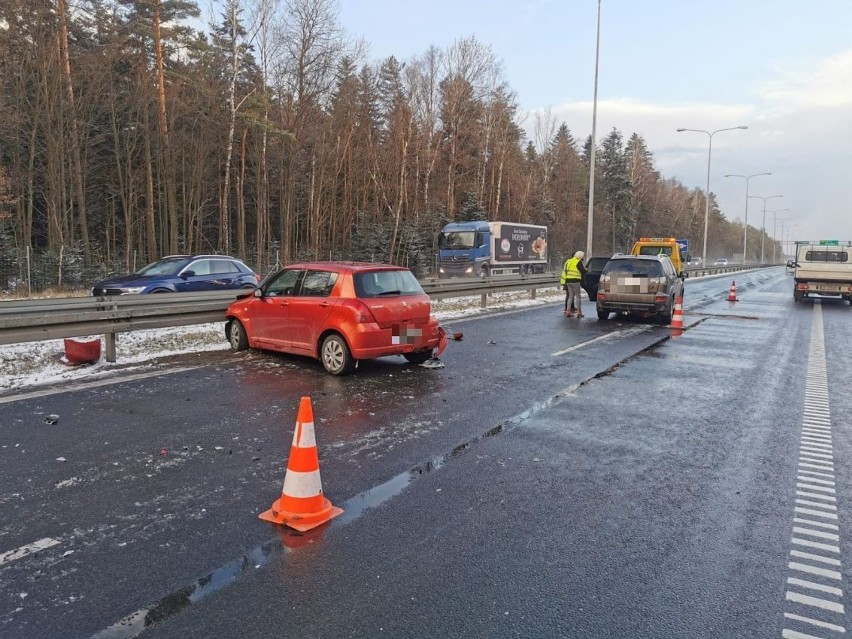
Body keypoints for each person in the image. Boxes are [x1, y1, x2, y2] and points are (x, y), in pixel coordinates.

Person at [560, 250, 587, 317]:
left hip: (568, 281)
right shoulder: (578, 262)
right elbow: (583, 271)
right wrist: (586, 270)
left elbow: (565, 271)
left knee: (570, 296)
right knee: (578, 297)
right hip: (575, 281)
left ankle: (568, 311)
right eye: (583, 257)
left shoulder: (568, 261)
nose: (583, 258)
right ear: (580, 256)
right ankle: (579, 312)